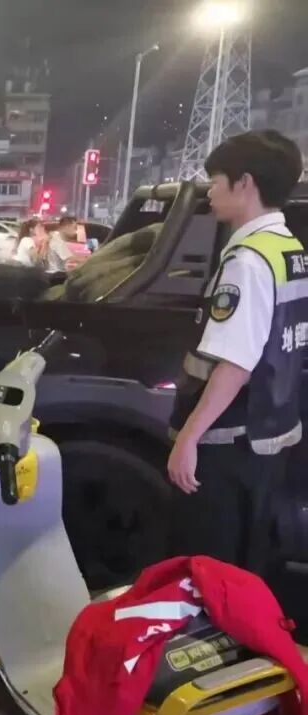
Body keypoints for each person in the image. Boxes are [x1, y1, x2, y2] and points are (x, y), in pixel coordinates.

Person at [167, 130, 306, 576]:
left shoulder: (247, 260)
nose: (210, 192)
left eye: (216, 181)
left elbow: (235, 363)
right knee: (245, 568)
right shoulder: (288, 250)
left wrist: (188, 438)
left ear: (244, 183)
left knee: (208, 569)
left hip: (229, 442)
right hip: (270, 433)